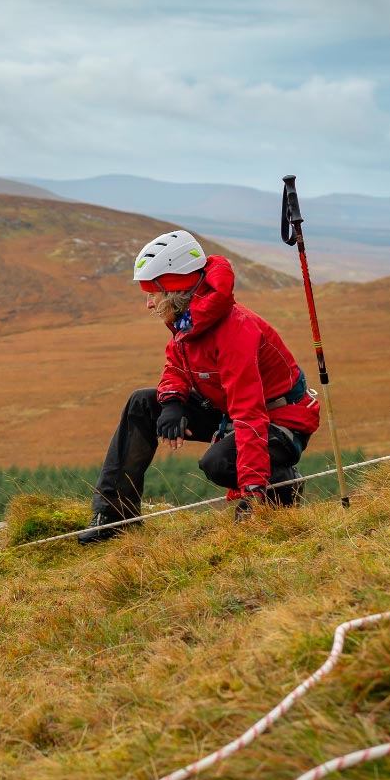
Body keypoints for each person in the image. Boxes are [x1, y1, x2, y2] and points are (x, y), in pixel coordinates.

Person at [78, 229, 320, 544]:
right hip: (229, 411)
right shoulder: (190, 320)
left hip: (279, 420)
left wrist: (251, 492)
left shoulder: (236, 332)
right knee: (143, 404)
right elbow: (176, 363)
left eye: (152, 293)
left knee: (218, 463)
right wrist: (173, 401)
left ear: (174, 290)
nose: (149, 304)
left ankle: (280, 489)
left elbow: (249, 413)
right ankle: (113, 516)